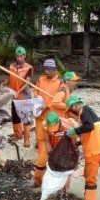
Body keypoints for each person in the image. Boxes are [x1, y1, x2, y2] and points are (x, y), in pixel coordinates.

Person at [65, 95, 100, 200]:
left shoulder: (84, 112)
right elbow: (89, 132)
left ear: (74, 106)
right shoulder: (87, 111)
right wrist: (78, 143)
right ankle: (87, 198)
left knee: (90, 179)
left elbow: (89, 127)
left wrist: (75, 130)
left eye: (70, 109)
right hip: (99, 149)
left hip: (95, 151)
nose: (71, 112)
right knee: (88, 174)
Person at [32, 58, 65, 186]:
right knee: (41, 140)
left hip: (52, 116)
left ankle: (51, 165)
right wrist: (36, 96)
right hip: (40, 115)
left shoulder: (60, 83)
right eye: (45, 69)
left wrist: (48, 105)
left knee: (53, 140)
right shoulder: (41, 79)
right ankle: (41, 163)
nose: (46, 71)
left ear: (54, 70)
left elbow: (59, 100)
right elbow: (35, 89)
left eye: (49, 70)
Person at [7, 46, 34, 147]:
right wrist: (3, 84)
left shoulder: (29, 68)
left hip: (24, 96)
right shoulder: (12, 66)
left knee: (26, 118)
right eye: (17, 56)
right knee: (15, 117)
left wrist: (19, 91)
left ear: (24, 56)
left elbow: (27, 83)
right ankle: (18, 135)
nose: (19, 58)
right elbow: (9, 78)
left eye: (21, 56)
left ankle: (26, 139)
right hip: (14, 96)